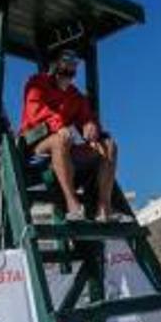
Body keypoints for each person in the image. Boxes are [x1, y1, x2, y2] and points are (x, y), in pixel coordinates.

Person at [20, 49, 124, 222]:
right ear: (54, 65)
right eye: (65, 66)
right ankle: (72, 204)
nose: (69, 71)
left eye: (73, 68)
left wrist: (90, 125)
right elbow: (35, 112)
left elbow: (87, 117)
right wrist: (59, 126)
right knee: (62, 138)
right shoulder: (36, 83)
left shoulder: (75, 95)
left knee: (109, 145)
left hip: (67, 147)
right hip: (36, 147)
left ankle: (103, 207)